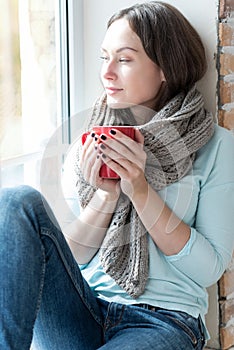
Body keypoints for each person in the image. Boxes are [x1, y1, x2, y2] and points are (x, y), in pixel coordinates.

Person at [0, 2, 234, 349]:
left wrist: (140, 190)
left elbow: (209, 268)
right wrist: (106, 195)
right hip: (83, 308)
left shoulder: (216, 145)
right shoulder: (91, 138)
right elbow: (75, 257)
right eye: (103, 57)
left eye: (124, 59)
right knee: (15, 200)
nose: (106, 72)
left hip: (165, 320)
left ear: (165, 68)